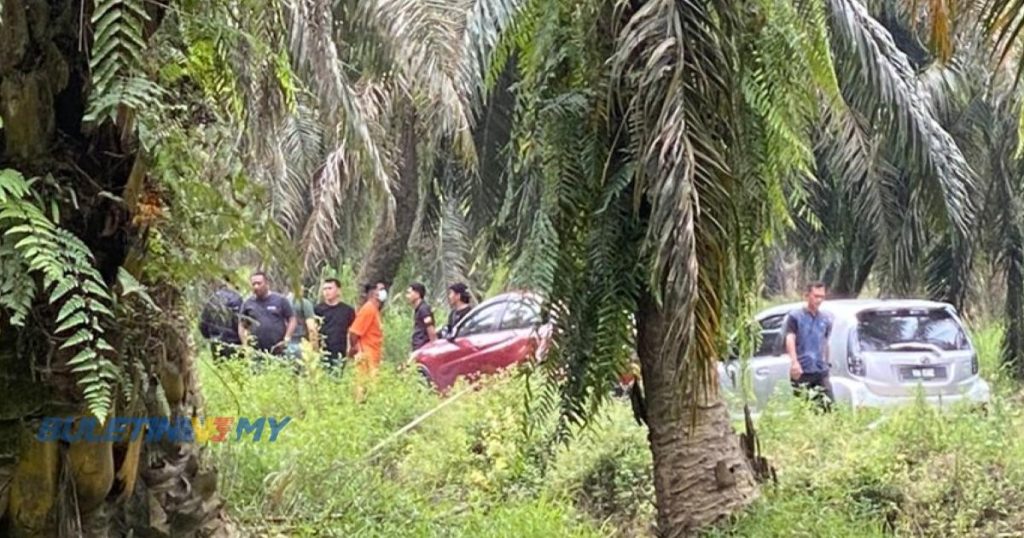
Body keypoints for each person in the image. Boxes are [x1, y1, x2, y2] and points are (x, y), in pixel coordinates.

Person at [785, 281, 834, 412]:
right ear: (807, 296)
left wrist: (826, 363)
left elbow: (825, 342)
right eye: (816, 296)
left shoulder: (825, 319)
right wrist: (794, 362)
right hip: (802, 371)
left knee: (829, 408)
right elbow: (790, 338)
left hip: (819, 370)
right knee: (804, 409)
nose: (819, 300)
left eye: (822, 297)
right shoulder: (795, 317)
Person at [238, 271, 297, 359]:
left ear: (267, 283)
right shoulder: (248, 303)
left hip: (278, 350)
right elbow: (242, 325)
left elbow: (292, 319)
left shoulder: (280, 300)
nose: (256, 287)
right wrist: (245, 345)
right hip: (256, 351)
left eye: (259, 283)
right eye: (253, 284)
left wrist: (286, 339)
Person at [349, 283, 385, 401]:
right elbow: (354, 332)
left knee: (372, 387)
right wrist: (356, 349)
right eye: (381, 289)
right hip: (366, 355)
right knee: (362, 385)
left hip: (374, 355)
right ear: (373, 292)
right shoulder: (368, 309)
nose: (384, 292)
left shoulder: (375, 310)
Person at [313, 278, 356, 371]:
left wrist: (351, 349)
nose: (326, 292)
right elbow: (313, 330)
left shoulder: (347, 311)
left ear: (338, 290)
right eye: (324, 289)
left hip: (340, 352)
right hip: (322, 351)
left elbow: (352, 331)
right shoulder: (317, 309)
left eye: (330, 288)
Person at [198, 277, 243, 360]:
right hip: (234, 343)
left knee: (220, 369)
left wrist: (211, 337)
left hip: (216, 342)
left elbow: (203, 323)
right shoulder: (237, 299)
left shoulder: (213, 299)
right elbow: (241, 323)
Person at [285, 289, 317, 361]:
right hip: (301, 344)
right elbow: (311, 328)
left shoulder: (281, 302)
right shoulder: (304, 303)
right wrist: (315, 349)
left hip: (284, 345)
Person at [406, 282, 436, 351]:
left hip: (423, 347)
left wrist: (434, 346)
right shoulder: (418, 309)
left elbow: (430, 328)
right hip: (419, 346)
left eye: (409, 293)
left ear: (417, 294)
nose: (407, 296)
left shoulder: (423, 309)